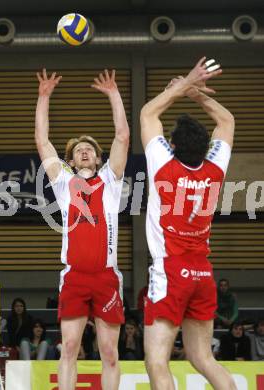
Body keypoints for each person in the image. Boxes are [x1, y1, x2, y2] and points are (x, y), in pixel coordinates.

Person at [140, 57, 237, 390]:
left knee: (156, 360)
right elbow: (227, 120)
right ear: (206, 147)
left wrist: (181, 87)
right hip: (202, 273)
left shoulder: (163, 165)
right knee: (203, 359)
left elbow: (148, 113)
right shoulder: (215, 170)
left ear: (174, 146)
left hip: (171, 272)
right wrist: (198, 94)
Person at [35, 68, 129, 390]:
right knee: (70, 350)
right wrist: (44, 96)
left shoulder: (110, 181)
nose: (84, 151)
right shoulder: (64, 182)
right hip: (74, 276)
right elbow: (42, 141)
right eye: (78, 151)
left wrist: (114, 93)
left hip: (106, 276)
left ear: (98, 158)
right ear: (72, 162)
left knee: (110, 354)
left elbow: (122, 137)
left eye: (89, 149)